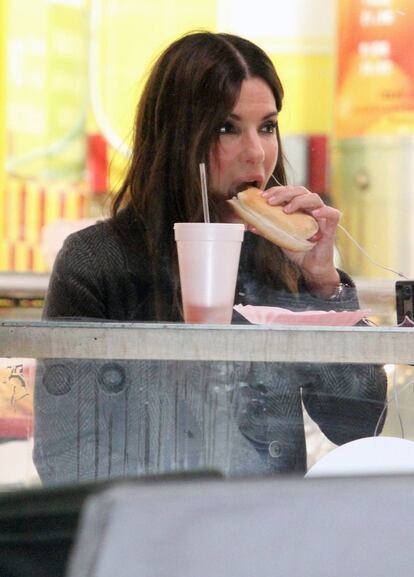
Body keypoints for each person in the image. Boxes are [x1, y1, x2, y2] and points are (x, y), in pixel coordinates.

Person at [34, 31, 387, 483]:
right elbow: (66, 454)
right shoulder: (97, 262)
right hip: (152, 536)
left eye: (267, 126)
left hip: (267, 533)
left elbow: (359, 427)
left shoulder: (280, 260)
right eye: (227, 128)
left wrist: (324, 288)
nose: (256, 153)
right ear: (176, 137)